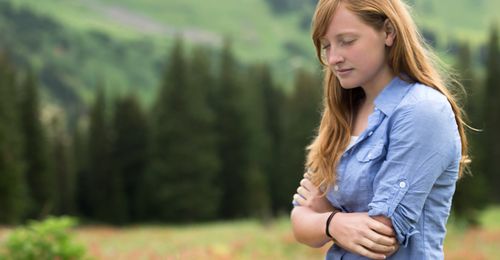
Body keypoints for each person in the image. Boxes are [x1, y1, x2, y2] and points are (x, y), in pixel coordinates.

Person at [290, 0, 470, 259]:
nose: (333, 58)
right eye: (326, 45)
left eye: (347, 41)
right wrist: (334, 224)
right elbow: (299, 221)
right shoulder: (342, 115)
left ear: (388, 32)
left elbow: (381, 236)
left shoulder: (423, 109)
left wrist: (325, 216)